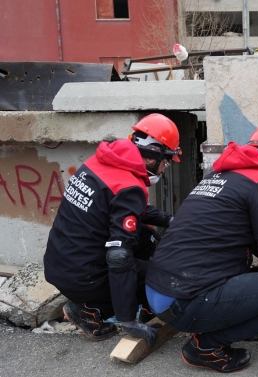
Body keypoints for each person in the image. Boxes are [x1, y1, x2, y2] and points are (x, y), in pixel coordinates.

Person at [145, 125, 258, 373]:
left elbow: (254, 242)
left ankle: (221, 325)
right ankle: (205, 346)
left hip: (160, 292)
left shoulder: (218, 178)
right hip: (184, 300)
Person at [44, 113, 182, 347]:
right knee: (162, 271)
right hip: (83, 278)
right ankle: (92, 309)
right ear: (153, 156)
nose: (164, 169)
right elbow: (119, 257)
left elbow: (122, 208)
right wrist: (129, 324)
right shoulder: (130, 186)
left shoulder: (98, 162)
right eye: (166, 161)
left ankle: (103, 306)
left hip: (59, 265)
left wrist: (170, 220)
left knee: (147, 237)